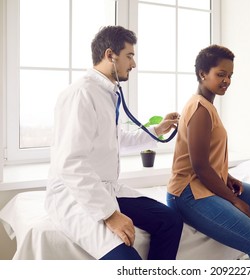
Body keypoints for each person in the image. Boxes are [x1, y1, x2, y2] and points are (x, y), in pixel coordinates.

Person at [45, 26, 183, 260]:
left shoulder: (106, 93)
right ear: (110, 55)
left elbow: (116, 140)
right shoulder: (82, 94)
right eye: (129, 56)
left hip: (105, 188)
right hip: (75, 194)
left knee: (170, 220)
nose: (134, 64)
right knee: (127, 261)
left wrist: (156, 131)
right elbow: (70, 162)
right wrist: (110, 214)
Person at [166, 45, 250, 260]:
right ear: (203, 74)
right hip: (187, 194)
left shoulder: (208, 105)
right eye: (220, 74)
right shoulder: (200, 109)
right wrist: (234, 200)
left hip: (205, 184)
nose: (227, 81)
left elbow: (209, 158)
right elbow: (200, 166)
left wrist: (228, 177)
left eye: (230, 75)